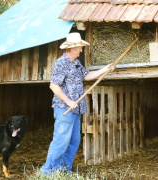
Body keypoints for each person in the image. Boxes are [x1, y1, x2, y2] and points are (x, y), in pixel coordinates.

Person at [40, 32, 115, 175]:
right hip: (64, 109)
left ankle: (63, 171)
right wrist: (68, 101)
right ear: (72, 48)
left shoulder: (77, 63)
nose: (81, 50)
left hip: (76, 110)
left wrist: (106, 69)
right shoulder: (61, 63)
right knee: (61, 142)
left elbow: (87, 76)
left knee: (74, 142)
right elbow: (53, 85)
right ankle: (46, 173)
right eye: (79, 47)